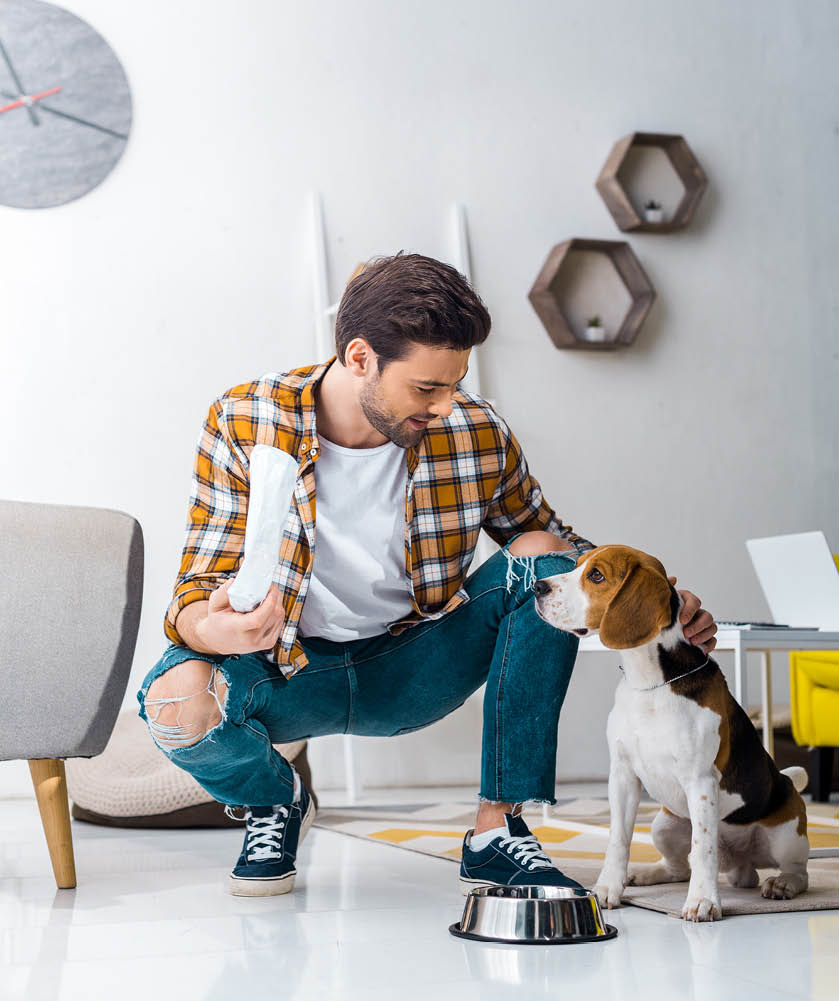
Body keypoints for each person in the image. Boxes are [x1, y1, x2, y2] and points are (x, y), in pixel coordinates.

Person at [136, 252, 717, 897]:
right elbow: (192, 592)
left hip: (413, 665)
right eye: (426, 389)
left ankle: (498, 829)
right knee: (173, 699)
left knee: (541, 556)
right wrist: (219, 632)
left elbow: (569, 555)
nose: (445, 406)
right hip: (289, 668)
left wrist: (660, 600)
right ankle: (275, 802)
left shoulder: (474, 429)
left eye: (455, 383)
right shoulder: (244, 419)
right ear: (360, 358)